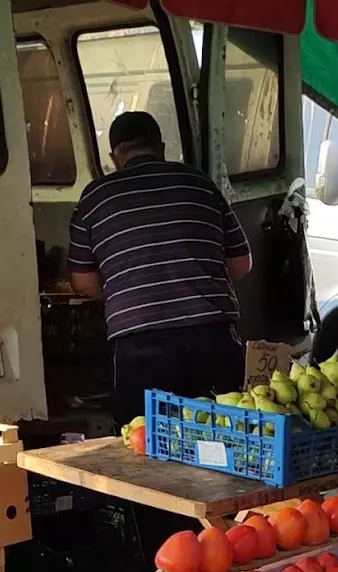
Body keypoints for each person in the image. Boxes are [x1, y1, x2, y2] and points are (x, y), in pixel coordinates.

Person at [68, 111, 252, 430]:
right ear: (161, 147)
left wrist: (127, 291)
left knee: (146, 444)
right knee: (227, 437)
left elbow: (82, 282)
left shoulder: (94, 198)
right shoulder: (199, 182)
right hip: (212, 335)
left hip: (139, 344)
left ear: (114, 156)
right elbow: (241, 262)